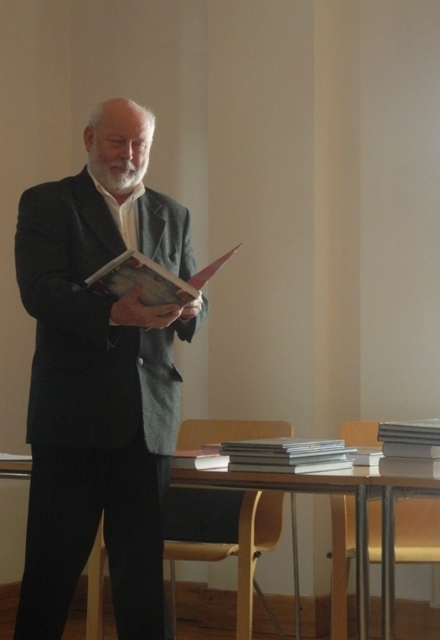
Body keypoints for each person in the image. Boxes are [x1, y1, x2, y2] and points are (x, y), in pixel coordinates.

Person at [14, 97, 208, 640]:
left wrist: (193, 308)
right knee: (51, 573)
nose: (128, 155)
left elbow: (192, 288)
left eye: (139, 144)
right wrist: (112, 313)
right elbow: (39, 291)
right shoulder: (49, 202)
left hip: (149, 422)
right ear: (89, 139)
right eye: (116, 141)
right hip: (71, 419)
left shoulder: (173, 213)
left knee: (142, 579)